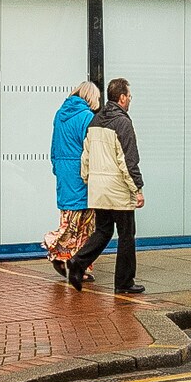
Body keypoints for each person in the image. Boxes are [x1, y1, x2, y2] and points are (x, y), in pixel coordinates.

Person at [67, 78, 145, 297]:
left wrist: (87, 179)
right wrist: (137, 188)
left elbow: (86, 156)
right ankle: (124, 283)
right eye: (129, 96)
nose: (130, 99)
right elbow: (128, 161)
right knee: (127, 235)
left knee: (103, 231)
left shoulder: (95, 121)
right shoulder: (123, 123)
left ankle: (77, 262)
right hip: (118, 190)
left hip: (99, 189)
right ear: (121, 97)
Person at [44, 80, 101, 277]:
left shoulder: (60, 114)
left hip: (63, 172)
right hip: (80, 174)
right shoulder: (87, 117)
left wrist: (57, 167)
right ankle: (60, 252)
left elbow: (53, 146)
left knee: (69, 217)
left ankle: (69, 261)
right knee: (85, 224)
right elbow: (90, 150)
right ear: (91, 97)